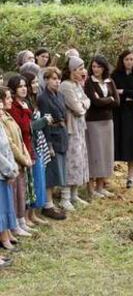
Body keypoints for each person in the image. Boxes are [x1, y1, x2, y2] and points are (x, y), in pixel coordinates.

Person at [85, 55, 120, 198]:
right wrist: (109, 99)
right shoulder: (89, 82)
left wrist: (105, 100)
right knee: (95, 153)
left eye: (98, 66)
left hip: (107, 121)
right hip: (93, 121)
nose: (96, 69)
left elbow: (117, 102)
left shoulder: (109, 81)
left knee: (106, 153)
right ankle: (91, 189)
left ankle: (101, 186)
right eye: (93, 66)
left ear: (104, 67)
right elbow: (94, 102)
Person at [111, 50, 133, 188]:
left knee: (132, 145)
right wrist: (129, 94)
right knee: (115, 143)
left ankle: (130, 177)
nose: (129, 62)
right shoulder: (115, 75)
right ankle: (107, 177)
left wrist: (123, 92)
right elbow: (113, 93)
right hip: (118, 112)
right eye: (126, 59)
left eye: (131, 59)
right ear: (122, 60)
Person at [59, 56, 91, 210]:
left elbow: (86, 101)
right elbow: (78, 109)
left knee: (79, 160)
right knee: (70, 161)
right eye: (80, 69)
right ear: (72, 71)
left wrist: (82, 105)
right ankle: (65, 197)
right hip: (70, 128)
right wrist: (82, 106)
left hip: (79, 127)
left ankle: (74, 195)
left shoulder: (78, 85)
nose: (83, 71)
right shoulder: (65, 86)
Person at [0, 87, 33, 237]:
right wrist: (22, 158)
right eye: (7, 98)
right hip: (10, 164)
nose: (10, 101)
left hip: (16, 162)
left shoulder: (7, 116)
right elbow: (10, 143)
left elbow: (19, 137)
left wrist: (25, 154)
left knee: (19, 194)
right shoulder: (3, 119)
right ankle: (12, 229)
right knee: (10, 198)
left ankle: (19, 223)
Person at [7, 75, 38, 232]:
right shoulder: (13, 106)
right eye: (20, 86)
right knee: (19, 188)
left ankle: (24, 218)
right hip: (18, 149)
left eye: (25, 85)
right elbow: (23, 126)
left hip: (28, 146)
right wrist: (26, 112)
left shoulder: (25, 103)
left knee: (27, 186)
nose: (24, 88)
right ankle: (18, 221)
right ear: (13, 89)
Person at [37, 67, 68, 220]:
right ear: (47, 80)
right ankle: (47, 204)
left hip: (61, 134)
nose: (57, 81)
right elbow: (45, 121)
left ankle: (51, 203)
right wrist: (48, 145)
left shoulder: (60, 95)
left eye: (58, 78)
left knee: (59, 170)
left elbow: (64, 115)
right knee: (51, 171)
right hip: (51, 135)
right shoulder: (43, 98)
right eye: (53, 79)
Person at [22, 71, 53, 225]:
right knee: (32, 180)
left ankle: (34, 214)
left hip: (39, 143)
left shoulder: (33, 100)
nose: (35, 85)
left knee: (39, 178)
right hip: (31, 143)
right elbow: (29, 126)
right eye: (32, 83)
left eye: (36, 82)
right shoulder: (25, 103)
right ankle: (27, 216)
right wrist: (44, 121)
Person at [0, 95, 20, 255]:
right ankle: (4, 238)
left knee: (6, 206)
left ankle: (6, 235)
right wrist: (10, 169)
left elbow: (7, 149)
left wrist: (13, 166)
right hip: (2, 173)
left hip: (6, 173)